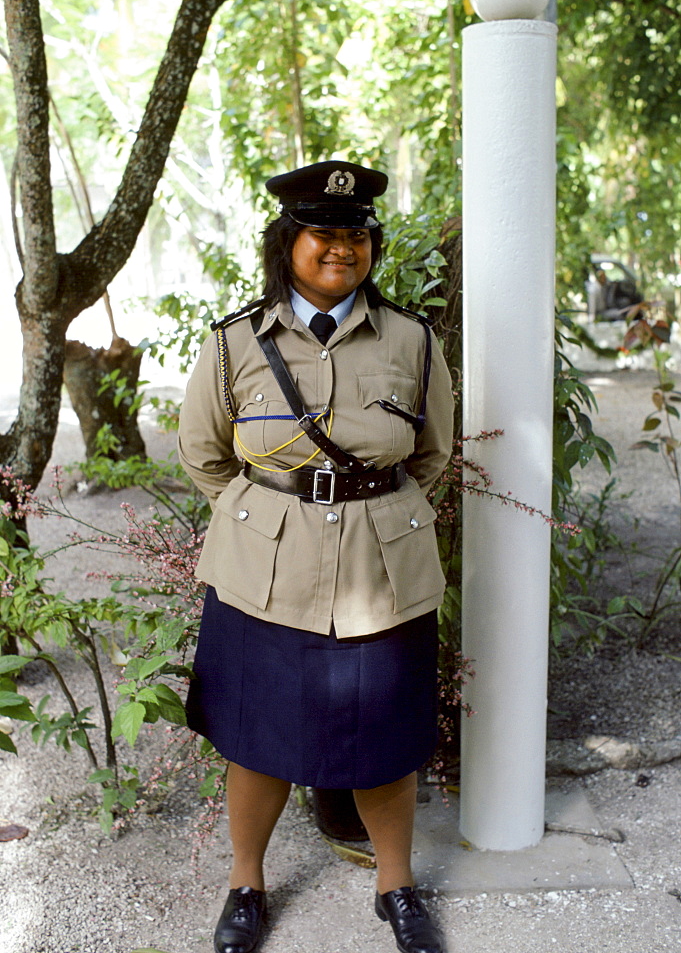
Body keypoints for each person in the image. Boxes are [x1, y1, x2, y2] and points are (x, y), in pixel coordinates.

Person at [177, 159, 454, 953]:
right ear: (286, 242)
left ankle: (395, 887)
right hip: (261, 576)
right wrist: (267, 518)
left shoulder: (411, 339)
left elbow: (430, 453)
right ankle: (245, 884)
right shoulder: (235, 343)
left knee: (385, 742)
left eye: (357, 235)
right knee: (253, 739)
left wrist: (375, 512)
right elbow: (205, 455)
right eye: (323, 234)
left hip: (380, 572)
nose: (343, 248)